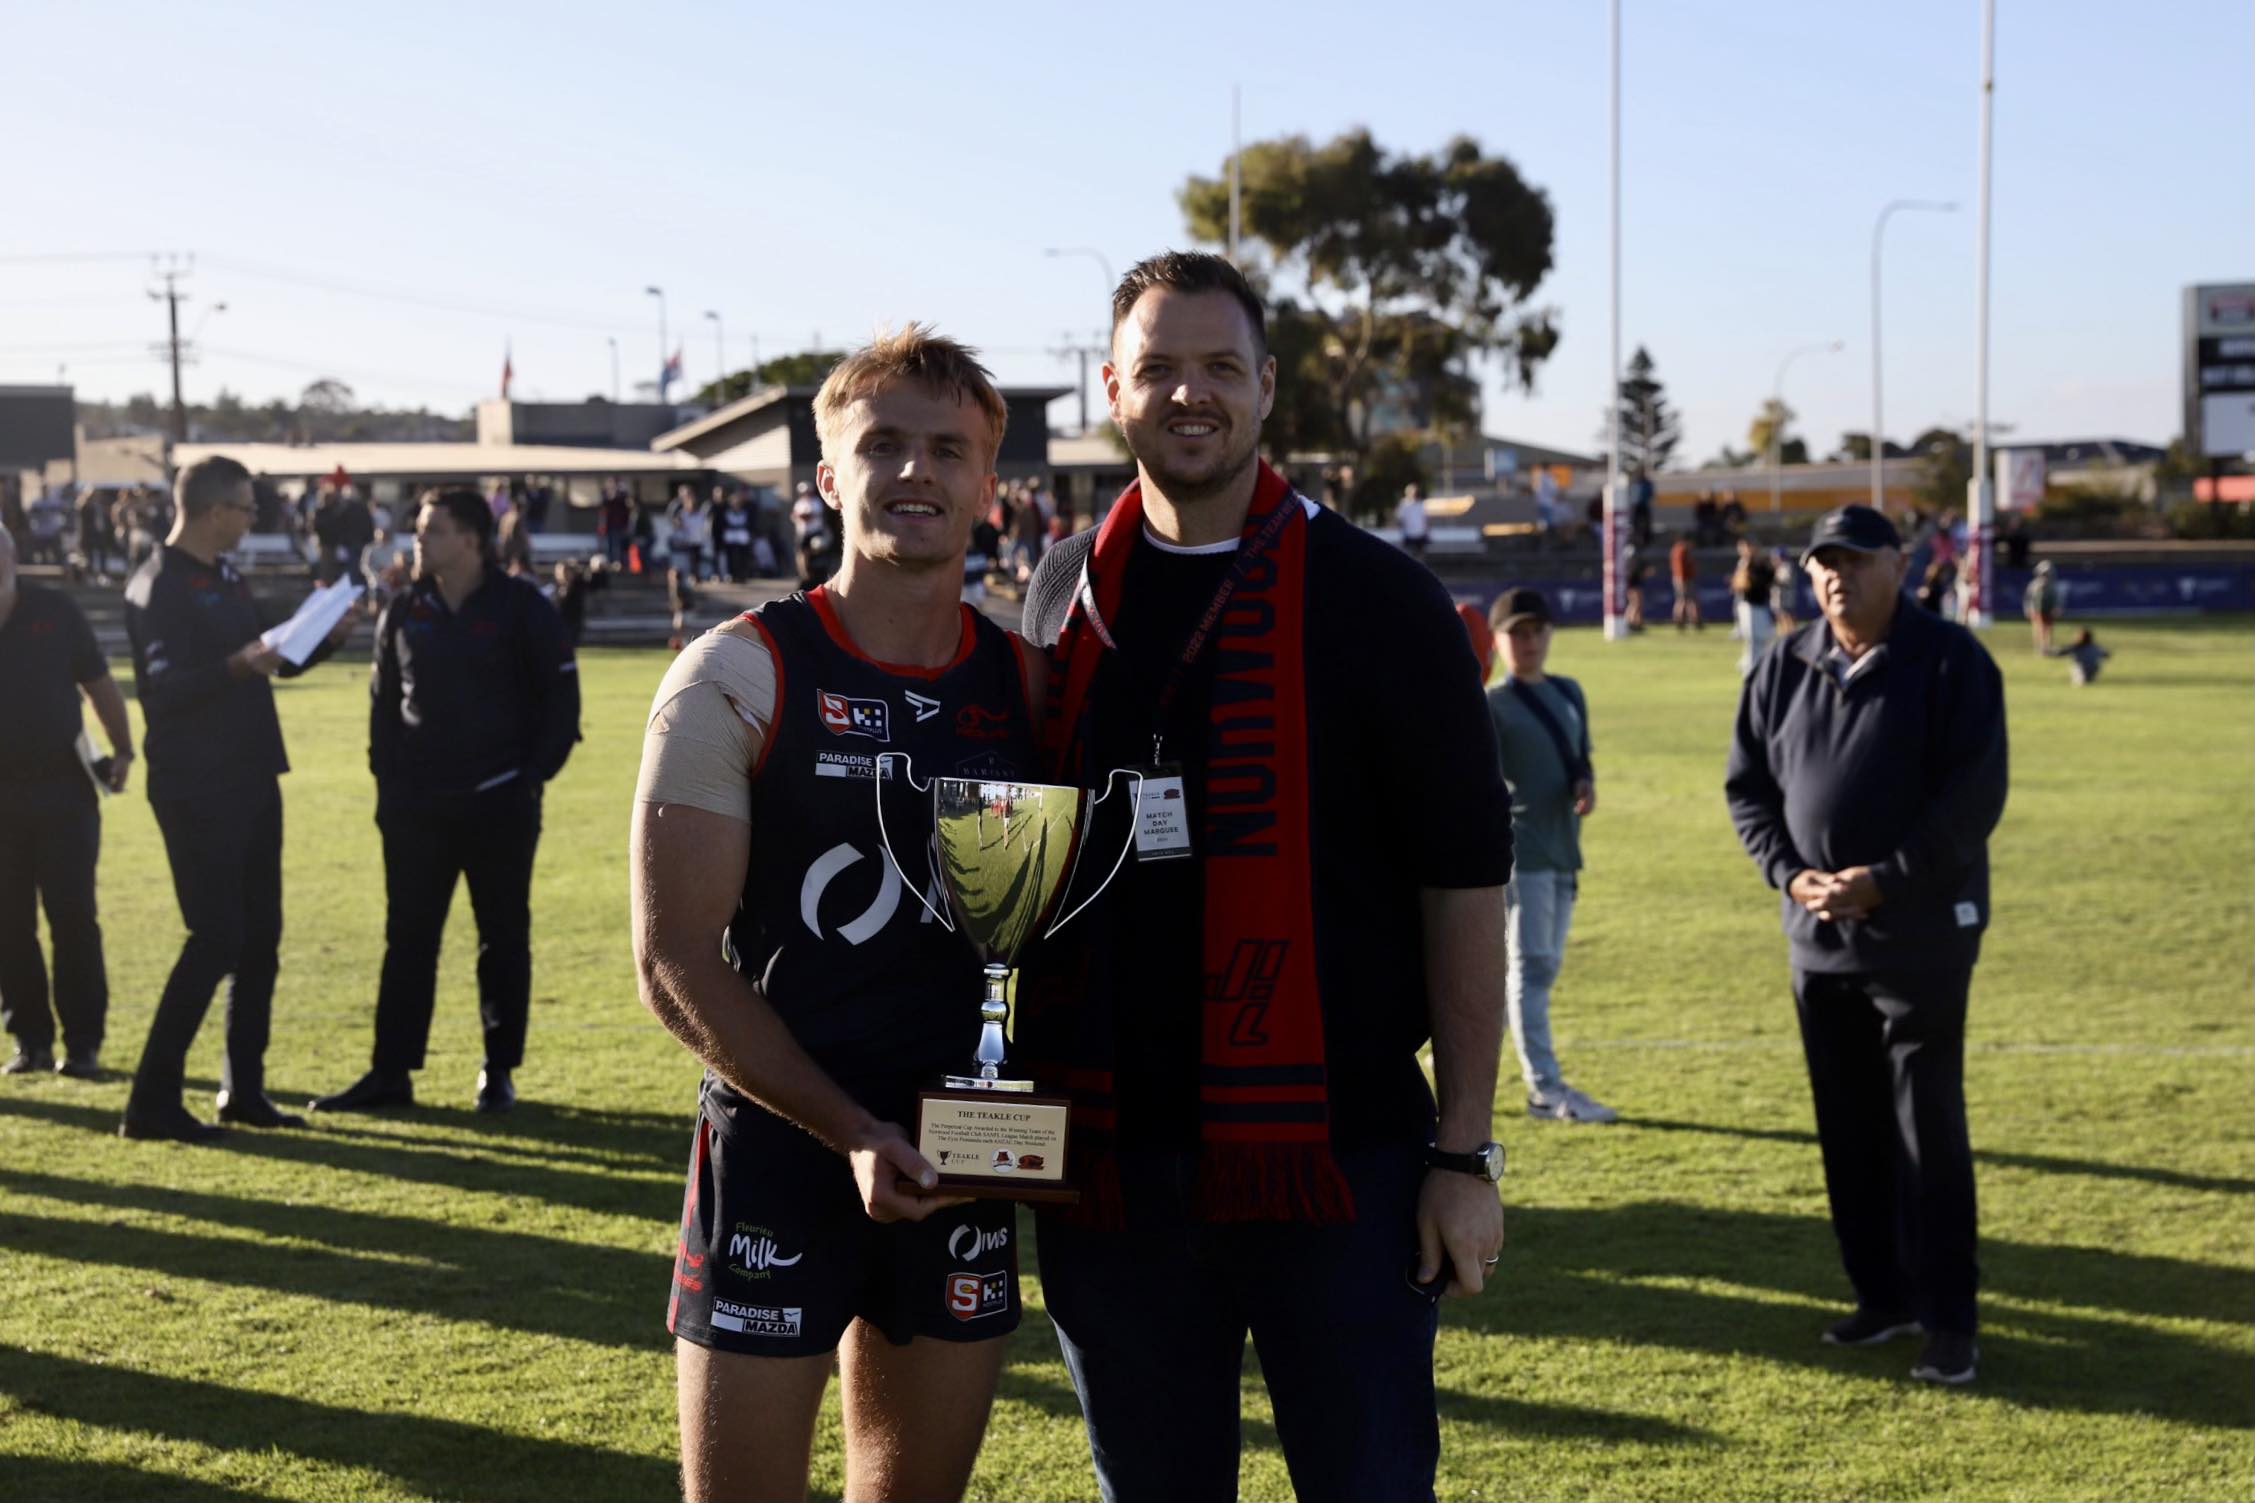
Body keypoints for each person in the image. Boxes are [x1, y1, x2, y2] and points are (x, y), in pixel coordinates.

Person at [1021, 251, 1511, 1502]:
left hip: (1335, 1163)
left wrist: (1463, 1156)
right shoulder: (1058, 586)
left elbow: (1463, 888)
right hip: (1111, 1168)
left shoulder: (1383, 599)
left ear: (1268, 387)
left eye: (1220, 369)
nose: (1191, 396)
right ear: (1110, 388)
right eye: (1160, 369)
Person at [631, 328, 1042, 1503]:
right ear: (827, 477)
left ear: (986, 482)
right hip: (778, 1146)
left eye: (947, 450)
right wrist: (850, 1130)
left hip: (961, 1156)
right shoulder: (737, 673)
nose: (915, 472)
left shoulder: (1030, 683)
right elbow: (672, 965)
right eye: (883, 446)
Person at [1725, 503, 2007, 1387]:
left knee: (1927, 1128)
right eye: (1820, 564)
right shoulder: (1784, 662)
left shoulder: (1951, 660)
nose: (1833, 575)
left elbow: (1972, 799)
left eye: (1852, 559)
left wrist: (1885, 876)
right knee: (1846, 1129)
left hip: (1919, 933)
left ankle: (1949, 1321)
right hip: (1816, 936)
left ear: (1898, 563)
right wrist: (1789, 874)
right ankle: (1880, 1297)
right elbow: (1748, 790)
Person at [312, 488, 580, 1118]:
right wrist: (388, 788)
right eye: (418, 528)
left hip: (501, 806)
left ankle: (499, 1071)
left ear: (471, 540)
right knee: (407, 940)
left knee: (503, 939)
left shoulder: (523, 607)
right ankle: (390, 1073)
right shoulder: (404, 607)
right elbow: (383, 708)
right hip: (416, 811)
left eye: (431, 529)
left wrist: (530, 778)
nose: (417, 540)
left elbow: (560, 703)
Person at [120, 455, 354, 1142]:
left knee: (259, 939)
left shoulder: (223, 574)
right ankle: (151, 1098)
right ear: (215, 510)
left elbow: (263, 658)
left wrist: (321, 642)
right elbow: (165, 689)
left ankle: (242, 1089)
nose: (254, 521)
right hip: (198, 784)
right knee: (216, 935)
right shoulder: (157, 583)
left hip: (251, 773)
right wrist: (237, 664)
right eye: (248, 509)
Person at [0, 529, 133, 1078]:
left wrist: (123, 749)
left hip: (63, 790)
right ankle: (30, 1041)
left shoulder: (54, 611)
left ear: (10, 557)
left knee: (74, 918)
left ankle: (84, 1044)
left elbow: (99, 684)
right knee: (8, 924)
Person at [1485, 587, 1615, 1124]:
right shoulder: (1490, 704)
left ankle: (1458, 1064)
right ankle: (1545, 1090)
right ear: (1497, 640)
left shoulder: (1569, 691)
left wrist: (1585, 783)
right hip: (1526, 857)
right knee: (1531, 971)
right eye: (1516, 632)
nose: (1528, 641)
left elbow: (1578, 759)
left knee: (1540, 969)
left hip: (1565, 852)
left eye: (1536, 630)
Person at [1730, 537, 1778, 677]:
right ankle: (1750, 669)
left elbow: (1768, 578)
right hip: (1749, 605)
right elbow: (1741, 585)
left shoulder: (1759, 562)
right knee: (1754, 639)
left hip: (1761, 604)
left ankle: (1750, 663)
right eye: (1744, 547)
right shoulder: (1745, 564)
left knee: (1765, 637)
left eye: (1749, 546)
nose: (1747, 549)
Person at [2022, 560, 2059, 655]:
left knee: (2049, 628)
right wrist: (2028, 608)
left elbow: (2055, 597)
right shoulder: (2034, 584)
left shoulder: (2052, 585)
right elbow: (2028, 597)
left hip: (2048, 609)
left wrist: (2056, 607)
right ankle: (2040, 647)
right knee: (2039, 628)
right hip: (2037, 609)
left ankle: (2048, 646)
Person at [1669, 531, 1702, 630]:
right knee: (1686, 600)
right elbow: (1679, 567)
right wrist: (1681, 580)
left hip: (1681, 578)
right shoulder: (1681, 550)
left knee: (1683, 600)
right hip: (1683, 579)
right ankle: (1690, 620)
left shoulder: (1676, 549)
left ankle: (1683, 620)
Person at [1395, 480, 1430, 558]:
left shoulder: (1420, 504)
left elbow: (1424, 519)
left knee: (1420, 556)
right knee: (1409, 556)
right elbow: (1400, 519)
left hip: (1420, 534)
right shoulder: (1403, 504)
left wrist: (1426, 531)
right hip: (1409, 534)